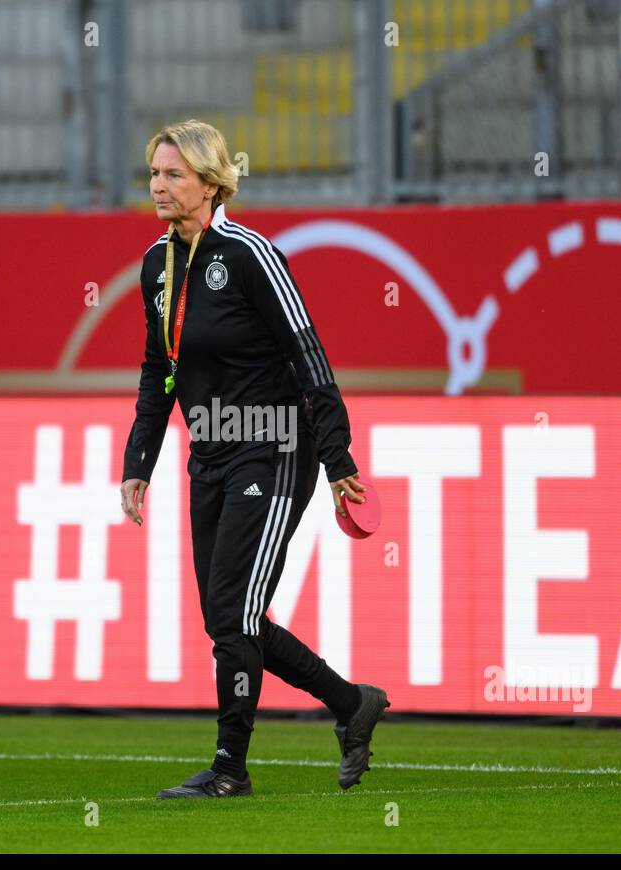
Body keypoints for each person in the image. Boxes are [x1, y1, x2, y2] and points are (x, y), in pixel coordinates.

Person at [119, 119, 389, 799]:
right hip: (208, 454)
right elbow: (160, 369)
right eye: (154, 173)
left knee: (234, 611)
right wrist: (139, 461)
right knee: (228, 616)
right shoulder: (158, 264)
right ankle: (351, 701)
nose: (158, 185)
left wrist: (337, 458)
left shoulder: (251, 255)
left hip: (274, 451)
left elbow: (310, 355)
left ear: (211, 183)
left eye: (173, 174)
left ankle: (229, 767)